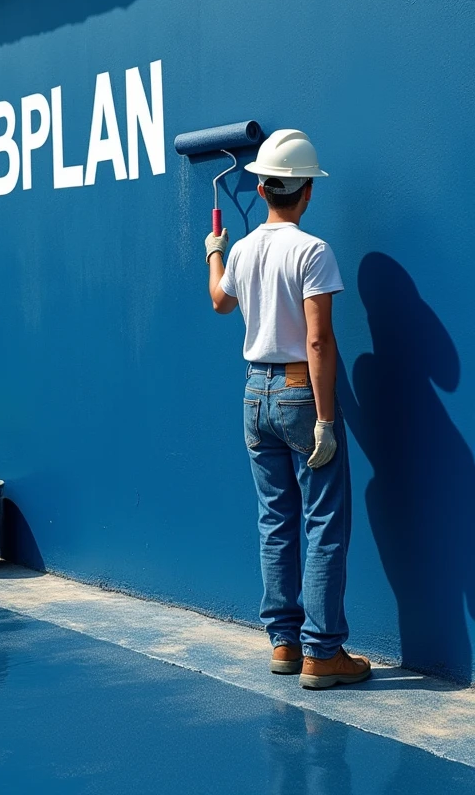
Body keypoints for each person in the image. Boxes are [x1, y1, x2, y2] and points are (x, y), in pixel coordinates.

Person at [205, 129, 370, 690]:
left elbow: (219, 302)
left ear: (261, 186)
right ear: (306, 192)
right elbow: (320, 341)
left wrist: (215, 252)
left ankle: (283, 643)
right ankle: (322, 655)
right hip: (302, 393)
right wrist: (326, 419)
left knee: (276, 521)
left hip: (254, 394)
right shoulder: (312, 251)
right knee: (323, 522)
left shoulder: (246, 249)